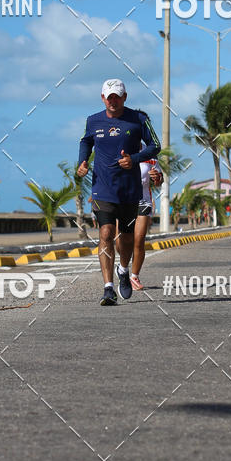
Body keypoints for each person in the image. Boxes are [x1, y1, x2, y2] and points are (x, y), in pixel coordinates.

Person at [77, 79, 161, 306]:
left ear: (125, 97)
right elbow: (86, 141)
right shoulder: (93, 121)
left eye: (117, 96)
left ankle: (124, 270)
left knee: (126, 238)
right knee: (105, 233)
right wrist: (83, 161)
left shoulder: (138, 119)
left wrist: (133, 160)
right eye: (109, 97)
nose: (113, 101)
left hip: (130, 190)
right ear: (103, 98)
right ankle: (108, 288)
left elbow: (155, 146)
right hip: (102, 188)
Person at [130, 155, 164, 290]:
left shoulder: (149, 154)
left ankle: (134, 276)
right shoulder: (120, 146)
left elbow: (159, 181)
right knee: (121, 243)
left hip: (143, 201)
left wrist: (157, 178)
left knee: (139, 239)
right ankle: (122, 268)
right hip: (122, 201)